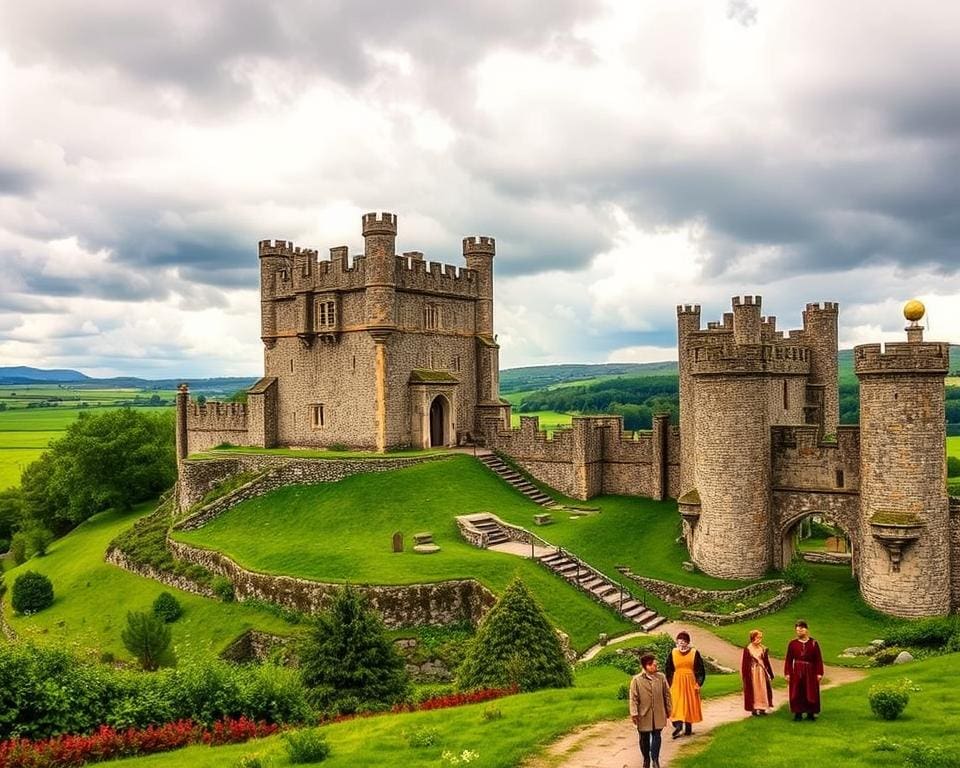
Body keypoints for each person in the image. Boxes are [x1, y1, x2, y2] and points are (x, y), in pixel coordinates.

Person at [629, 653, 672, 768]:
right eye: (653, 665)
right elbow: (633, 698)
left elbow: (667, 694)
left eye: (656, 664)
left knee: (657, 736)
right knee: (644, 738)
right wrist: (634, 713)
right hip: (643, 714)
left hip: (658, 713)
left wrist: (669, 710)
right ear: (646, 666)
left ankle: (655, 760)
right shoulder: (637, 680)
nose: (655, 666)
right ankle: (646, 759)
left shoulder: (661, 677)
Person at [665, 630, 705, 738]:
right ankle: (678, 726)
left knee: (688, 703)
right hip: (677, 681)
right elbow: (668, 669)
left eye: (683, 641)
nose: (681, 643)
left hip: (690, 681)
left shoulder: (694, 653)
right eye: (679, 641)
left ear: (687, 642)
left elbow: (700, 670)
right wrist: (669, 683)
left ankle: (688, 727)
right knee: (676, 703)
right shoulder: (673, 653)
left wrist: (698, 683)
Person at [784, 620, 824, 721]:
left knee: (810, 691)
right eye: (797, 630)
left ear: (806, 630)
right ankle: (798, 713)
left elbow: (818, 659)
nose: (799, 632)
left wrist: (819, 673)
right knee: (797, 691)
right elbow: (788, 660)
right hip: (797, 670)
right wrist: (787, 673)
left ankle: (810, 713)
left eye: (801, 630)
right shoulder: (793, 644)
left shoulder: (813, 643)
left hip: (810, 671)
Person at [740, 629, 774, 715]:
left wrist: (770, 673)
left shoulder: (763, 649)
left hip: (761, 672)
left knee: (763, 689)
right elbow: (744, 663)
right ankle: (754, 708)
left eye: (760, 638)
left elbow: (766, 662)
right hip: (753, 672)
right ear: (752, 638)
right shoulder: (748, 649)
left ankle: (762, 707)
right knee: (755, 689)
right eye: (757, 638)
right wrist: (745, 675)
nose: (759, 640)